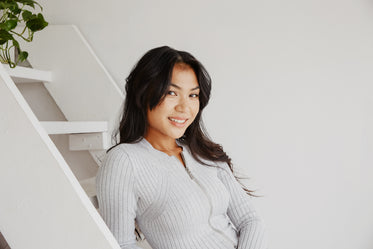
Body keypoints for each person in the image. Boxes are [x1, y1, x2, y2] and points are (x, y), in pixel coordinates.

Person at [96, 46, 267, 249]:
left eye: (193, 95)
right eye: (171, 92)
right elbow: (121, 244)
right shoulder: (124, 161)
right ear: (142, 95)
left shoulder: (202, 151)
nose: (184, 107)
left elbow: (250, 220)